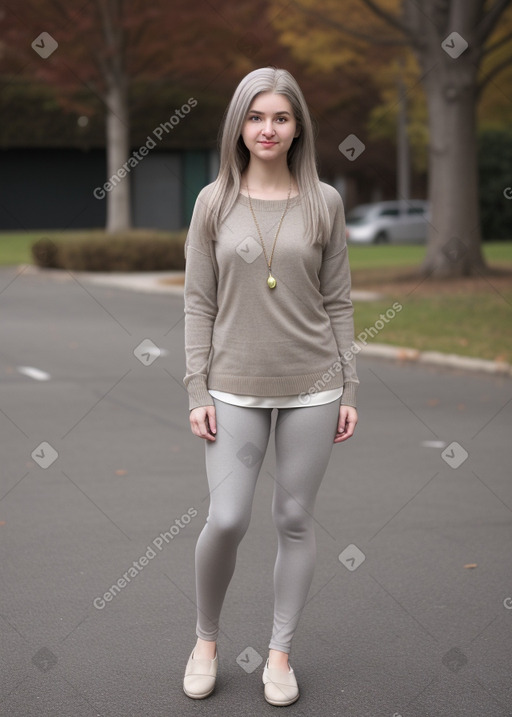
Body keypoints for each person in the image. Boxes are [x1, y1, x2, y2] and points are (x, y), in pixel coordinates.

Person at [182, 66, 359, 707]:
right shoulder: (213, 202)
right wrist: (197, 390)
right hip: (231, 384)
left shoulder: (325, 202)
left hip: (314, 383)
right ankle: (206, 640)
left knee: (293, 519)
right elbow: (198, 303)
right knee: (227, 518)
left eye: (281, 118)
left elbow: (338, 302)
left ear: (297, 128)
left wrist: (350, 384)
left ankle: (280, 655)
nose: (268, 128)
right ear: (239, 124)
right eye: (256, 116)